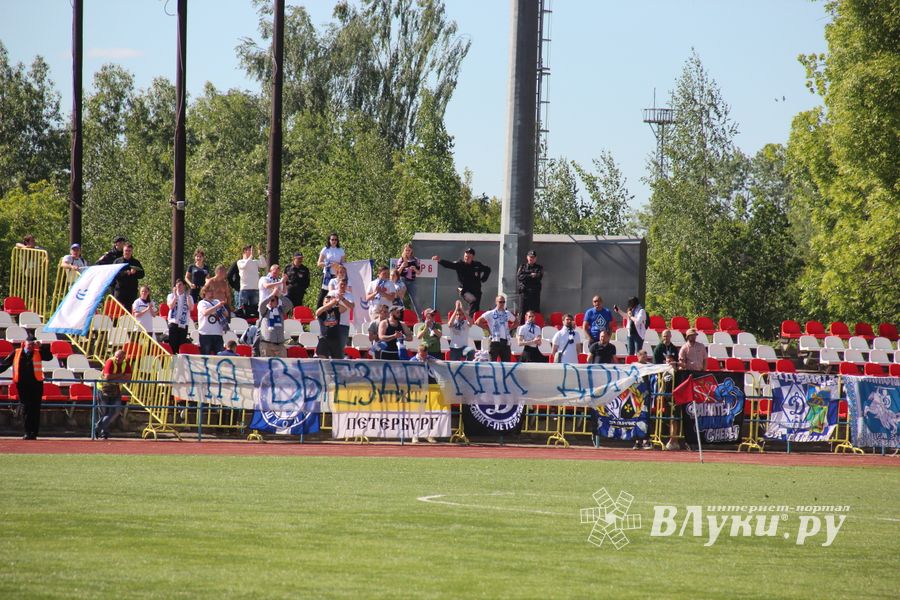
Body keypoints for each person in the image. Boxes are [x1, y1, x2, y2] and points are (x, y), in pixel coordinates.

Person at [0, 336, 44, 439]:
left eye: (33, 345)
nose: (31, 347)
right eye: (29, 344)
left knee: (35, 408)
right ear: (25, 343)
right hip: (22, 385)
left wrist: (41, 347)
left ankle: (34, 433)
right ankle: (27, 432)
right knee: (26, 407)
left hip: (36, 384)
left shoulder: (38, 352)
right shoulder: (17, 352)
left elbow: (49, 356)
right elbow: (5, 364)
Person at [433, 247, 491, 316]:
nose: (467, 258)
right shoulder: (460, 264)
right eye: (466, 256)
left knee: (476, 308)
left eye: (469, 256)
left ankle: (469, 318)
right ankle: (470, 319)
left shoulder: (477, 265)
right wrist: (440, 260)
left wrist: (483, 279)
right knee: (472, 300)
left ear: (472, 257)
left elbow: (487, 269)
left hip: (476, 290)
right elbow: (450, 265)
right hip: (464, 290)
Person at [95, 349, 131, 440]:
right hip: (103, 389)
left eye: (120, 357)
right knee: (104, 412)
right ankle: (104, 432)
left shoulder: (125, 363)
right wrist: (121, 375)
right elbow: (107, 377)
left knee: (116, 410)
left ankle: (98, 427)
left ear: (124, 357)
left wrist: (114, 377)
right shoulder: (110, 361)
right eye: (116, 356)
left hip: (116, 389)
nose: (118, 358)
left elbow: (128, 378)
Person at [475, 295, 518, 362]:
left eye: (503, 302)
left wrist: (510, 328)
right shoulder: (490, 313)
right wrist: (488, 329)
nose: (502, 304)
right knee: (493, 362)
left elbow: (516, 322)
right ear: (496, 302)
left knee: (506, 363)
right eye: (500, 302)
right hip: (494, 340)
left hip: (505, 341)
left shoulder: (507, 313)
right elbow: (477, 322)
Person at [314, 288, 348, 359]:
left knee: (338, 360)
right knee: (322, 358)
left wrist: (336, 303)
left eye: (330, 300)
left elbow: (344, 309)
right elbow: (317, 312)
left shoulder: (336, 310)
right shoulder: (322, 311)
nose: (328, 302)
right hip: (324, 338)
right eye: (326, 300)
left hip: (335, 339)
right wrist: (330, 303)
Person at [258, 292, 293, 358]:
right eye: (269, 300)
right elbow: (262, 305)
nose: (270, 302)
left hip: (280, 345)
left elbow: (289, 305)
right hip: (267, 344)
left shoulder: (281, 311)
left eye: (273, 300)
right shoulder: (264, 311)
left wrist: (279, 295)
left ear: (277, 302)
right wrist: (271, 296)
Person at [197, 284, 228, 356]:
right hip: (206, 334)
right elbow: (205, 312)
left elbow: (226, 314)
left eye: (212, 291)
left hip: (217, 333)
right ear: (204, 292)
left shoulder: (217, 301)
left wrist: (222, 306)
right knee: (206, 355)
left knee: (220, 355)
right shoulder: (202, 303)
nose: (212, 293)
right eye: (209, 291)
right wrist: (217, 307)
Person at [236, 244, 268, 315]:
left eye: (252, 250)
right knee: (242, 310)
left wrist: (260, 255)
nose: (251, 252)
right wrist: (250, 257)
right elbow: (244, 266)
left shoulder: (254, 262)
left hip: (255, 289)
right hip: (245, 289)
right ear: (245, 251)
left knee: (254, 310)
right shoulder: (240, 261)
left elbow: (264, 264)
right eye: (250, 250)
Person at [326, 278, 355, 355]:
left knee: (341, 347)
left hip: (344, 324)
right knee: (330, 346)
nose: (342, 286)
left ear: (346, 286)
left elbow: (352, 306)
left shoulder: (349, 295)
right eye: (341, 284)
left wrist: (343, 299)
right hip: (332, 323)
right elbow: (325, 304)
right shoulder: (331, 293)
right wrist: (336, 301)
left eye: (344, 285)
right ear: (337, 284)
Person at [316, 233, 345, 308]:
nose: (334, 241)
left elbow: (343, 264)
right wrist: (329, 264)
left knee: (336, 293)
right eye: (332, 239)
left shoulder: (341, 250)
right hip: (327, 275)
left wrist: (337, 265)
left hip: (337, 275)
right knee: (324, 293)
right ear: (329, 240)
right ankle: (319, 311)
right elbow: (319, 263)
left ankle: (333, 312)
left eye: (336, 239)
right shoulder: (325, 249)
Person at [113, 243, 145, 310]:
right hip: (120, 291)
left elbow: (142, 274)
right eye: (126, 250)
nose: (127, 252)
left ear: (132, 251)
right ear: (123, 251)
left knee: (130, 311)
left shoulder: (136, 262)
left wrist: (135, 273)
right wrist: (125, 273)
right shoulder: (117, 261)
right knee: (117, 310)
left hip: (131, 291)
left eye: (129, 251)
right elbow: (113, 275)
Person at [166, 278, 194, 354]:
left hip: (183, 323)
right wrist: (175, 296)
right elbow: (170, 306)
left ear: (184, 286)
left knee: (181, 345)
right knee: (173, 344)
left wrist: (188, 296)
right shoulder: (171, 296)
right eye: (177, 285)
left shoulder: (189, 297)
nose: (179, 286)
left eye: (180, 285)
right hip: (173, 322)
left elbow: (191, 308)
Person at [396, 243, 422, 317]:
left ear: (411, 251)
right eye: (406, 250)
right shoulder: (401, 259)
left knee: (415, 299)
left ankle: (420, 318)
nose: (407, 251)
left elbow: (419, 272)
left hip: (412, 281)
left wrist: (414, 269)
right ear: (404, 250)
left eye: (409, 250)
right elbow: (397, 273)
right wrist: (401, 266)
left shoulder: (416, 260)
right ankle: (399, 316)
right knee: (400, 299)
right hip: (402, 280)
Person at [516, 250, 543, 314]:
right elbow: (520, 277)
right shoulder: (522, 267)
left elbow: (539, 277)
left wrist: (526, 275)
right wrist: (531, 275)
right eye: (530, 257)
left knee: (535, 311)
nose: (531, 258)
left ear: (536, 258)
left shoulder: (539, 268)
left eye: (533, 257)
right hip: (524, 292)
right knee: (522, 311)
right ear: (527, 257)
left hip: (534, 293)